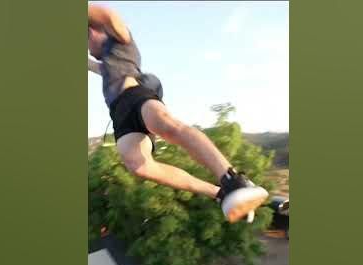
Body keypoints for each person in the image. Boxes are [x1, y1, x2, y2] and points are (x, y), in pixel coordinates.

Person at [88, 3, 269, 223]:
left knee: (167, 125)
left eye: (87, 43)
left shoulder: (120, 41)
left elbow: (108, 15)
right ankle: (220, 194)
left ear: (93, 31)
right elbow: (92, 66)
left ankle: (234, 181)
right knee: (140, 166)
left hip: (135, 97)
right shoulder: (106, 64)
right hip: (120, 115)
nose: (89, 50)